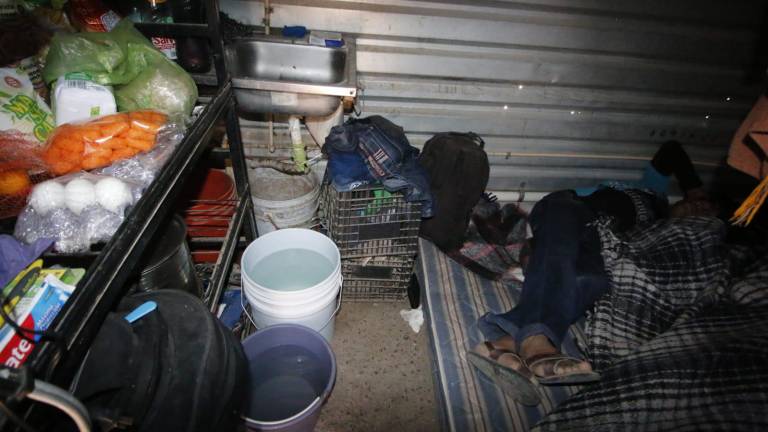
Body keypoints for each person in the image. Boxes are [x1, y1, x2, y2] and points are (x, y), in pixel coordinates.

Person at [467, 140, 709, 405]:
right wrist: (696, 190)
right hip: (570, 207)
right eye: (700, 204)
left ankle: (502, 344)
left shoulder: (659, 232)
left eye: (705, 214)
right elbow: (672, 149)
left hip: (599, 241)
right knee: (560, 250)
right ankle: (536, 341)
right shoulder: (655, 190)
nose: (700, 208)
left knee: (593, 280)